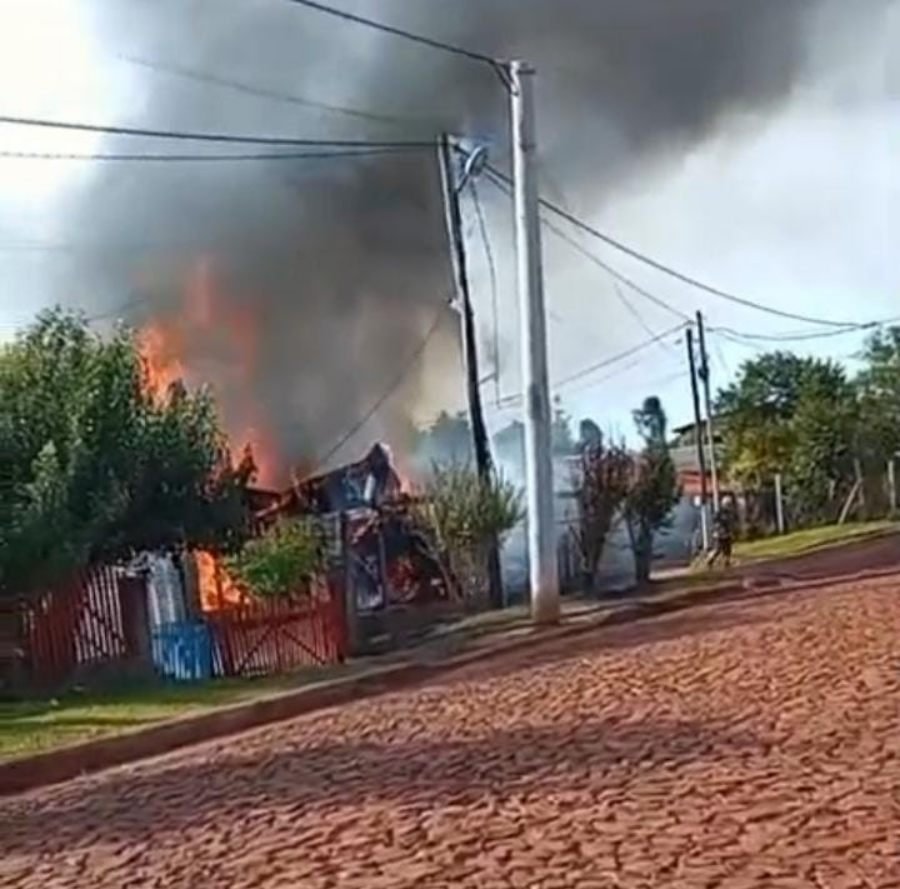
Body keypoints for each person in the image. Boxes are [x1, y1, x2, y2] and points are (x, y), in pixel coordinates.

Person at [707, 499, 736, 568]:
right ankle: (710, 560)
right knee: (718, 549)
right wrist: (717, 530)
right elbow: (715, 522)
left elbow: (730, 523)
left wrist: (731, 531)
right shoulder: (719, 512)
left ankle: (727, 562)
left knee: (728, 549)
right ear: (724, 504)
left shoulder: (729, 513)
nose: (729, 506)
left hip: (727, 533)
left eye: (730, 504)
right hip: (719, 534)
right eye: (728, 504)